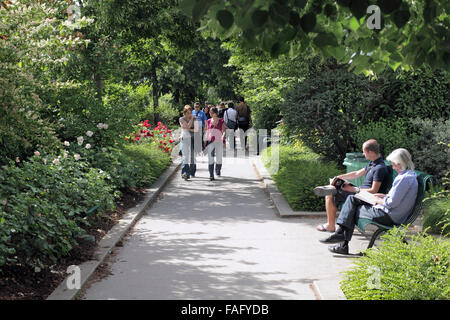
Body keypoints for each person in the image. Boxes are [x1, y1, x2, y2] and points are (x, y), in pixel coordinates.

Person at [319, 148, 418, 255]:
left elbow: (391, 203)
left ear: (400, 163)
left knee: (352, 204)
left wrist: (376, 199)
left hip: (388, 216)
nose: (393, 167)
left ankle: (341, 239)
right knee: (353, 201)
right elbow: (396, 198)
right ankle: (341, 240)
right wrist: (382, 196)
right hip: (390, 213)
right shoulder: (409, 176)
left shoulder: (404, 178)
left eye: (394, 164)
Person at [314, 139, 390, 232]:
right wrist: (338, 177)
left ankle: (330, 225)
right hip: (361, 193)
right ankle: (331, 186)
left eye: (364, 152)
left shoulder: (379, 168)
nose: (363, 154)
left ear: (370, 152)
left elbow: (374, 190)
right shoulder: (373, 163)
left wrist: (353, 189)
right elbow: (357, 173)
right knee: (336, 188)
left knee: (330, 193)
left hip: (366, 197)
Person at [204, 107, 228, 181]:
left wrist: (223, 136)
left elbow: (224, 130)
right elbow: (207, 131)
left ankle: (218, 170)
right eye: (210, 112)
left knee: (219, 158)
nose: (210, 114)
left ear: (216, 113)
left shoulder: (221, 121)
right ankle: (211, 175)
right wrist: (205, 140)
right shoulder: (208, 121)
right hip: (210, 141)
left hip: (219, 141)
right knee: (210, 158)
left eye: (212, 112)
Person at [179, 105, 198, 180]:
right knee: (185, 156)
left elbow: (196, 130)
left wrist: (189, 129)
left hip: (193, 138)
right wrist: (191, 120)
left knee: (193, 156)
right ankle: (185, 173)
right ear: (184, 113)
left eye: (190, 113)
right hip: (185, 139)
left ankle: (192, 172)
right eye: (187, 113)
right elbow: (188, 126)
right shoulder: (181, 119)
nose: (189, 115)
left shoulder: (195, 118)